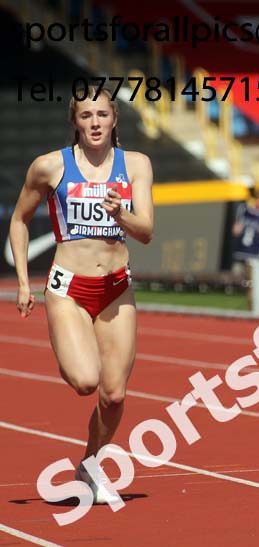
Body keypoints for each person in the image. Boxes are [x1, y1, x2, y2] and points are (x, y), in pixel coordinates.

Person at [9, 88, 154, 501]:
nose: (95, 123)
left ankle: (90, 464)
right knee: (86, 381)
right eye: (86, 115)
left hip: (116, 288)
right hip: (69, 288)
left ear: (114, 119)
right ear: (74, 121)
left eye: (102, 114)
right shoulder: (50, 166)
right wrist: (23, 282)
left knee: (114, 396)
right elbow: (19, 220)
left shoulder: (136, 165)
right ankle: (69, 349)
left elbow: (146, 232)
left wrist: (121, 213)